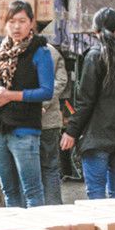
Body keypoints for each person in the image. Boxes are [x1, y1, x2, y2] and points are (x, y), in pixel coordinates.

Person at [61, 7, 115, 200]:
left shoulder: (94, 55)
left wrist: (71, 131)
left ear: (94, 30)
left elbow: (85, 100)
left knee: (96, 193)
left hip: (97, 138)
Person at [0, 0, 54, 208]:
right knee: (9, 192)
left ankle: (37, 229)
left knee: (32, 191)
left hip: (25, 130)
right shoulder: (0, 51)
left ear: (31, 23)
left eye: (22, 21)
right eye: (12, 21)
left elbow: (47, 91)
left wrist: (11, 95)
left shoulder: (40, 51)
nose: (16, 27)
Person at [40, 43, 69, 205]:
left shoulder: (16, 50)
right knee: (50, 168)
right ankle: (54, 208)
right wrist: (44, 103)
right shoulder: (51, 51)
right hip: (49, 121)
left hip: (29, 123)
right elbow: (61, 81)